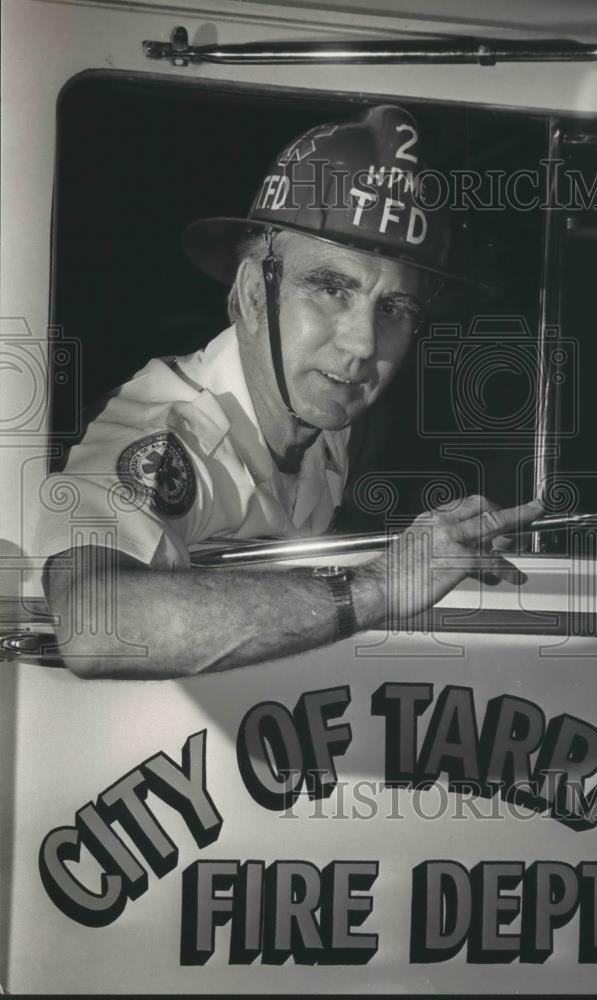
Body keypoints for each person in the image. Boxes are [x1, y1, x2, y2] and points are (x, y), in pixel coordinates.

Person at [37, 104, 542, 679]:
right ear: (254, 295)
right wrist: (381, 585)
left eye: (395, 307)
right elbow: (95, 629)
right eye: (330, 288)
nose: (361, 344)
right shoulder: (159, 437)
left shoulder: (327, 416)